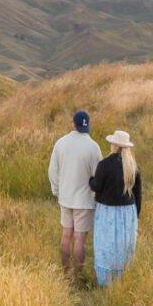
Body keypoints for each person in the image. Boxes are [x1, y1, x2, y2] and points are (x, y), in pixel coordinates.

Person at [48, 110, 102, 276]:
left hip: (65, 198)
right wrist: (95, 198)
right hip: (84, 201)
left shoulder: (61, 143)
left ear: (73, 124)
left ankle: (65, 272)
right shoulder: (93, 147)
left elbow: (53, 171)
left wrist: (57, 191)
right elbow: (98, 176)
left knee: (66, 236)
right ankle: (78, 275)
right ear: (88, 125)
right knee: (79, 239)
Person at [89, 129, 141, 286]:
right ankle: (122, 280)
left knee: (106, 245)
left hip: (108, 212)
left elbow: (96, 186)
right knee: (124, 246)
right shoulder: (132, 166)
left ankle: (105, 282)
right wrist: (135, 215)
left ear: (113, 145)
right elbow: (138, 193)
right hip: (128, 212)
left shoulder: (105, 165)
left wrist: (91, 179)